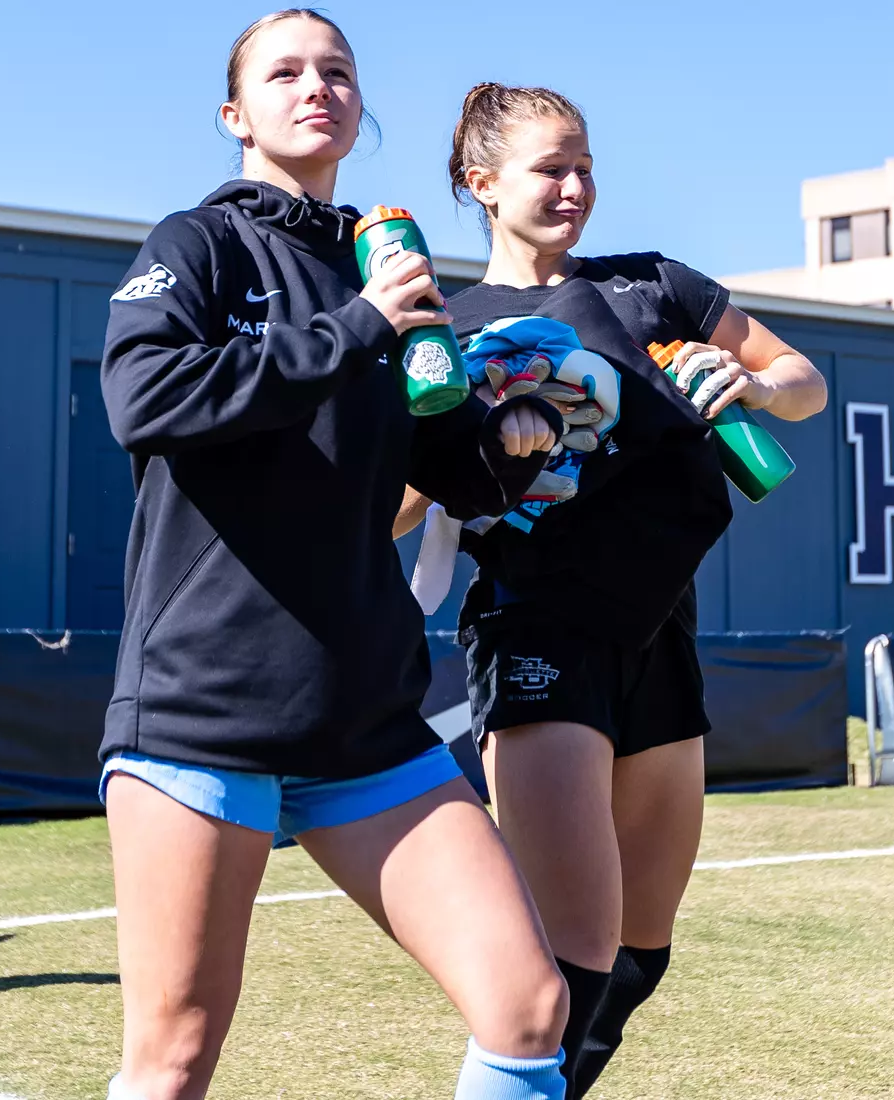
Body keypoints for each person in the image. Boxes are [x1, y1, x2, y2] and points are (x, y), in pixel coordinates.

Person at [98, 17, 572, 1100]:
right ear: (236, 114)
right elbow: (145, 398)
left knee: (527, 1006)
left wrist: (514, 438)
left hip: (366, 719)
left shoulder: (387, 260)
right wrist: (358, 325)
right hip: (204, 710)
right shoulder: (199, 246)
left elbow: (446, 463)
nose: (317, 86)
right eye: (285, 71)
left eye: (339, 72)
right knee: (172, 1062)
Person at [398, 82, 828, 1096]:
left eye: (585, 166)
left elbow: (805, 383)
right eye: (550, 168)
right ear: (482, 183)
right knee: (572, 955)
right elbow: (394, 511)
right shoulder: (441, 328)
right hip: (536, 626)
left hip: (659, 627)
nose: (575, 187)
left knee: (638, 951)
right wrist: (461, 442)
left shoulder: (654, 286)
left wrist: (756, 385)